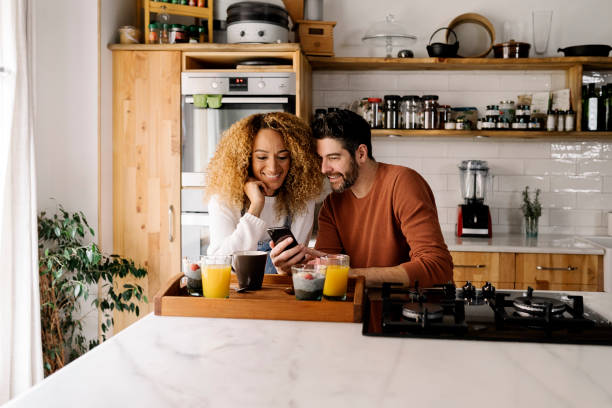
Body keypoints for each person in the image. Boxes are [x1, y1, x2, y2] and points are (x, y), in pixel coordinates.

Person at [270, 109, 453, 287]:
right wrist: (289, 269)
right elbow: (325, 277)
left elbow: (437, 266)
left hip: (404, 314)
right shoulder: (333, 205)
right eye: (321, 159)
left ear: (361, 154)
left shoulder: (402, 183)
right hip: (355, 314)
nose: (324, 169)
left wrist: (349, 274)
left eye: (333, 158)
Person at [206, 112, 323, 274]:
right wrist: (256, 206)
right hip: (234, 295)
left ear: (295, 159)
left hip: (280, 293)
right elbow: (219, 264)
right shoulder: (224, 197)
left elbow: (294, 266)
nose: (273, 168)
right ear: (246, 159)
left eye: (282, 157)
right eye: (262, 157)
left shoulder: (303, 199)